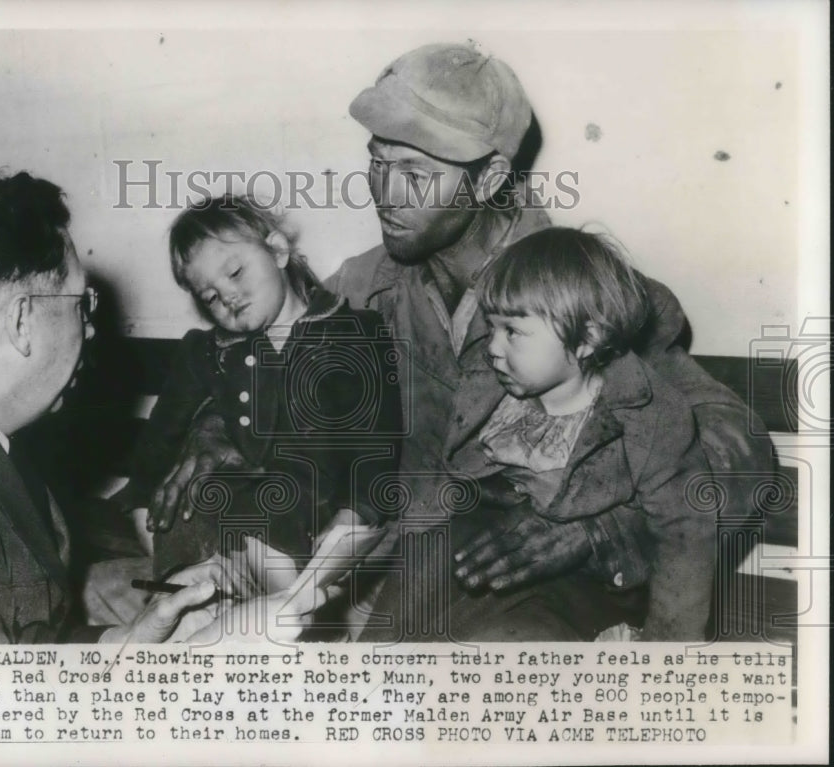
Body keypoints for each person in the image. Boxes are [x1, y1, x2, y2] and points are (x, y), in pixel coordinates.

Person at [150, 43, 775, 641]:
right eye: (378, 161)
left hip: (528, 587)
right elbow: (260, 348)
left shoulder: (584, 292)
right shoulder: (360, 290)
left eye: (415, 173)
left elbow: (733, 442)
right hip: (387, 569)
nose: (384, 192)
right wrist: (211, 427)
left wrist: (601, 530)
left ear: (490, 178)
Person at [0, 171, 247, 645]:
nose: (88, 329)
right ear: (22, 321)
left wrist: (125, 643)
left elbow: (24, 641)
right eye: (80, 304)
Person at [105, 196, 401, 619]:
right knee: (181, 565)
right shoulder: (207, 352)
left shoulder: (355, 335)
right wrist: (143, 510)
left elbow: (377, 447)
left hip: (311, 528)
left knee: (282, 591)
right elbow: (159, 441)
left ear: (278, 251)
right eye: (209, 295)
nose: (229, 297)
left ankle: (273, 613)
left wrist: (352, 519)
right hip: (218, 527)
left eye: (236, 272)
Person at [462, 227, 715, 640]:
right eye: (491, 328)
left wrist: (668, 654)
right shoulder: (494, 393)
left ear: (587, 339)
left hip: (598, 592)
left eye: (513, 331)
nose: (492, 347)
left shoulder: (648, 417)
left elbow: (685, 539)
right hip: (497, 566)